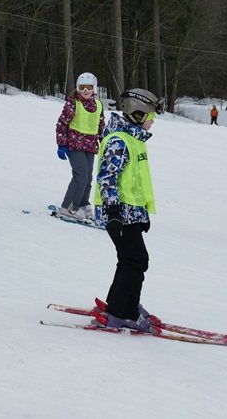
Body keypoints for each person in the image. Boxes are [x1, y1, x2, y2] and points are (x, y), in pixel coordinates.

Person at [93, 88, 164, 332]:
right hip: (118, 214)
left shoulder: (134, 140)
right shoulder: (120, 142)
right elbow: (107, 178)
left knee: (129, 260)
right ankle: (122, 312)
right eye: (151, 116)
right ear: (137, 114)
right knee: (136, 260)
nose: (153, 121)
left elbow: (134, 183)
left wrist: (142, 214)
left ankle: (122, 304)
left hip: (130, 214)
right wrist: (113, 213)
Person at [54, 72, 104, 220]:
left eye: (89, 87)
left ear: (94, 88)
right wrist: (62, 144)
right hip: (74, 144)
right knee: (80, 175)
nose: (85, 91)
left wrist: (105, 143)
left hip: (90, 146)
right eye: (82, 88)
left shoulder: (98, 105)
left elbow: (101, 127)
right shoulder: (73, 103)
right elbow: (62, 124)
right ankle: (68, 207)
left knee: (88, 177)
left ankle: (82, 204)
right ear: (77, 88)